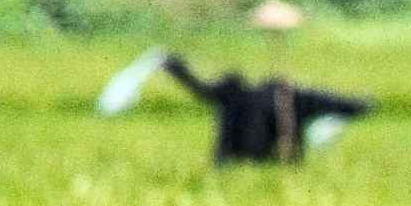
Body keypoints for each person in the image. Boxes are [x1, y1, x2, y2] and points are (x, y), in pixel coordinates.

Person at [159, 54, 371, 166]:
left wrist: (178, 70)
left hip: (261, 162)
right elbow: (333, 103)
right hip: (256, 162)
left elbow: (200, 88)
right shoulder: (236, 93)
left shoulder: (290, 98)